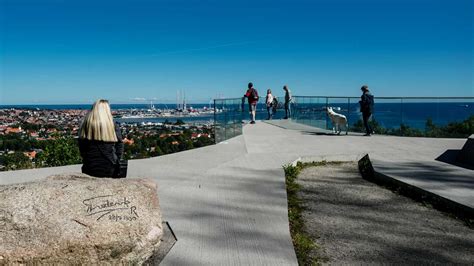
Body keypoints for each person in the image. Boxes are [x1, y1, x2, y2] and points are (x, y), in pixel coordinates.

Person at [78, 99, 124, 177]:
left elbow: (82, 147)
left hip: (89, 167)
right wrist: (117, 161)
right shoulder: (112, 125)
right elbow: (119, 146)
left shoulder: (85, 124)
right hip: (110, 167)